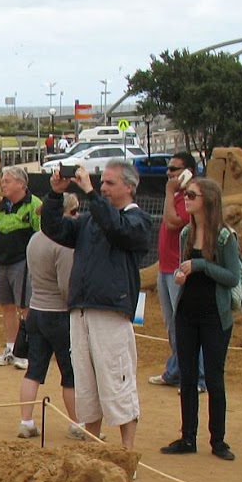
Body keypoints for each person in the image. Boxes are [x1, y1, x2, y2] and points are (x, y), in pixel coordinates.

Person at [42, 160, 150, 450]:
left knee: (117, 379)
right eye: (102, 182)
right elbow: (56, 229)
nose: (103, 187)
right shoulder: (91, 220)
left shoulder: (138, 220)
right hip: (81, 308)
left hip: (111, 311)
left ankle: (127, 450)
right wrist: (54, 195)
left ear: (129, 187)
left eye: (110, 183)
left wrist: (90, 194)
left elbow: (119, 230)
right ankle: (92, 443)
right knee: (87, 383)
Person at [158, 178, 242, 460]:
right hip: (187, 313)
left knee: (214, 378)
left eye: (191, 195)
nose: (186, 199)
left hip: (214, 316)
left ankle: (218, 441)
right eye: (186, 194)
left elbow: (232, 277)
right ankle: (188, 437)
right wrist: (183, 275)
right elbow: (185, 270)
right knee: (187, 376)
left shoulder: (224, 237)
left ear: (207, 200)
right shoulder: (186, 233)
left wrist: (201, 265)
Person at [17, 191, 83, 439]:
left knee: (34, 370)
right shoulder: (63, 245)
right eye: (75, 211)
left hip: (37, 310)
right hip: (60, 313)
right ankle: (76, 424)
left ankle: (26, 421)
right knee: (70, 373)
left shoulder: (35, 239)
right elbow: (66, 286)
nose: (78, 216)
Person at [150, 151, 201, 388]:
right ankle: (177, 369)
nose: (169, 174)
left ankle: (197, 376)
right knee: (172, 325)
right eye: (168, 169)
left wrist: (170, 193)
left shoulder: (189, 197)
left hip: (179, 268)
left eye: (174, 169)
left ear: (189, 171)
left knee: (185, 324)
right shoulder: (178, 195)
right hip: (166, 267)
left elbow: (173, 222)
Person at [0, 165, 40, 368]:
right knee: (7, 307)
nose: (2, 184)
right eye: (2, 181)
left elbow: (41, 234)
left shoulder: (34, 205)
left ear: (21, 183)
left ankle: (27, 352)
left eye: (7, 181)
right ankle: (11, 349)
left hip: (23, 264)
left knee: (26, 308)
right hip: (1, 263)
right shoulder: (0, 207)